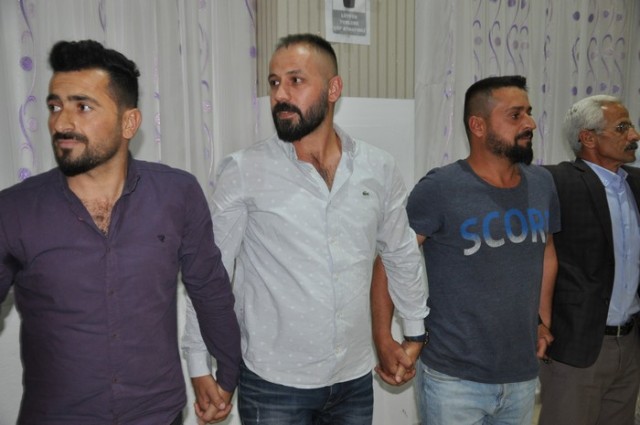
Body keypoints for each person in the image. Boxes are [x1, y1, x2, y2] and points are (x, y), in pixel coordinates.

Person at [181, 33, 428, 425]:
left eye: (295, 81)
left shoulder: (378, 168)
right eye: (274, 82)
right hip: (274, 384)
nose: (280, 95)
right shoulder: (245, 170)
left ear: (333, 89)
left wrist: (414, 332)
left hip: (353, 379)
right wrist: (199, 363)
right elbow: (210, 274)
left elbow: (399, 252)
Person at [0, 40, 241, 425]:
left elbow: (210, 290)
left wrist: (227, 373)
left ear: (129, 123)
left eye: (82, 106)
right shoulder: (14, 210)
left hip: (156, 414)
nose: (61, 123)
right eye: (55, 106)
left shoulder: (177, 194)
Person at [372, 75, 560, 424]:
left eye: (529, 113)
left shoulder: (542, 183)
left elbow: (546, 252)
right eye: (515, 115)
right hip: (453, 380)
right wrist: (383, 338)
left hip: (520, 375)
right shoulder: (441, 188)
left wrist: (541, 321)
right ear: (478, 125)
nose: (530, 124)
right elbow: (390, 261)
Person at [538, 95, 640, 425]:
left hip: (630, 345)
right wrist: (537, 321)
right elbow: (531, 257)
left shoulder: (637, 184)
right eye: (622, 127)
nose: (634, 135)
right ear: (588, 138)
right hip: (576, 348)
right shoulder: (555, 182)